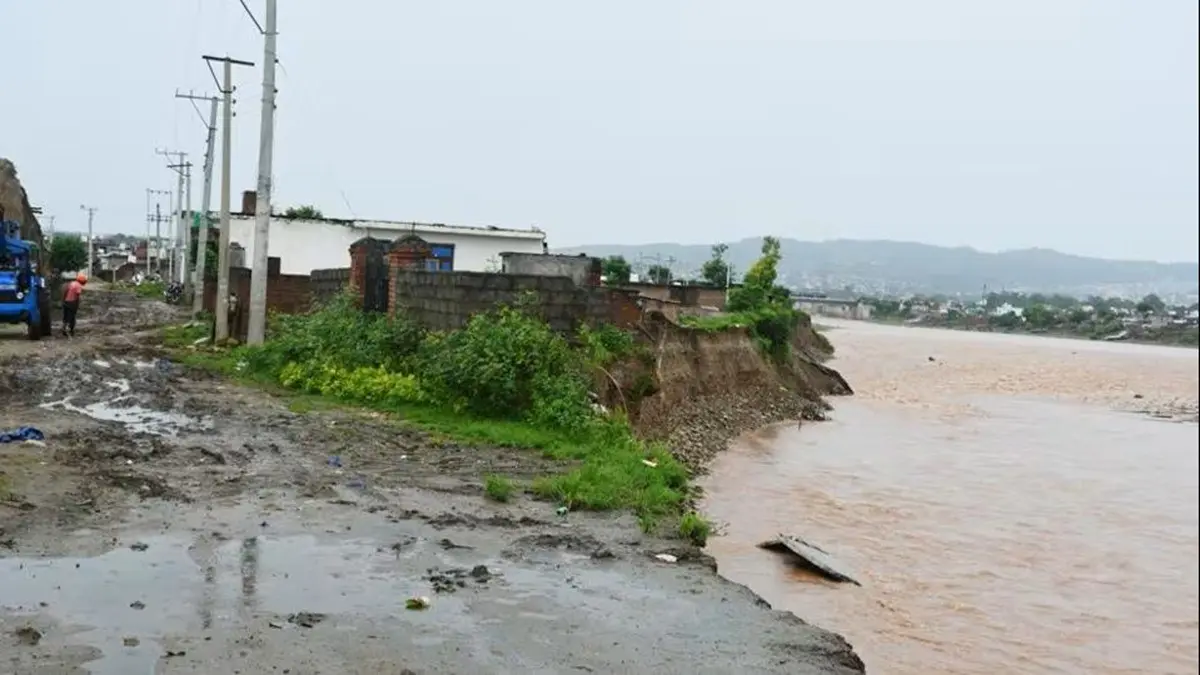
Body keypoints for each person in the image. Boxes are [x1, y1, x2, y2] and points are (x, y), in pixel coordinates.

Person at [61, 272, 87, 337]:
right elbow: (78, 296)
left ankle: (64, 328)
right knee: (72, 317)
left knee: (66, 316)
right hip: (72, 303)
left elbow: (65, 292)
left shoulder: (71, 283)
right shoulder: (78, 286)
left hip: (66, 301)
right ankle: (70, 330)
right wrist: (79, 304)